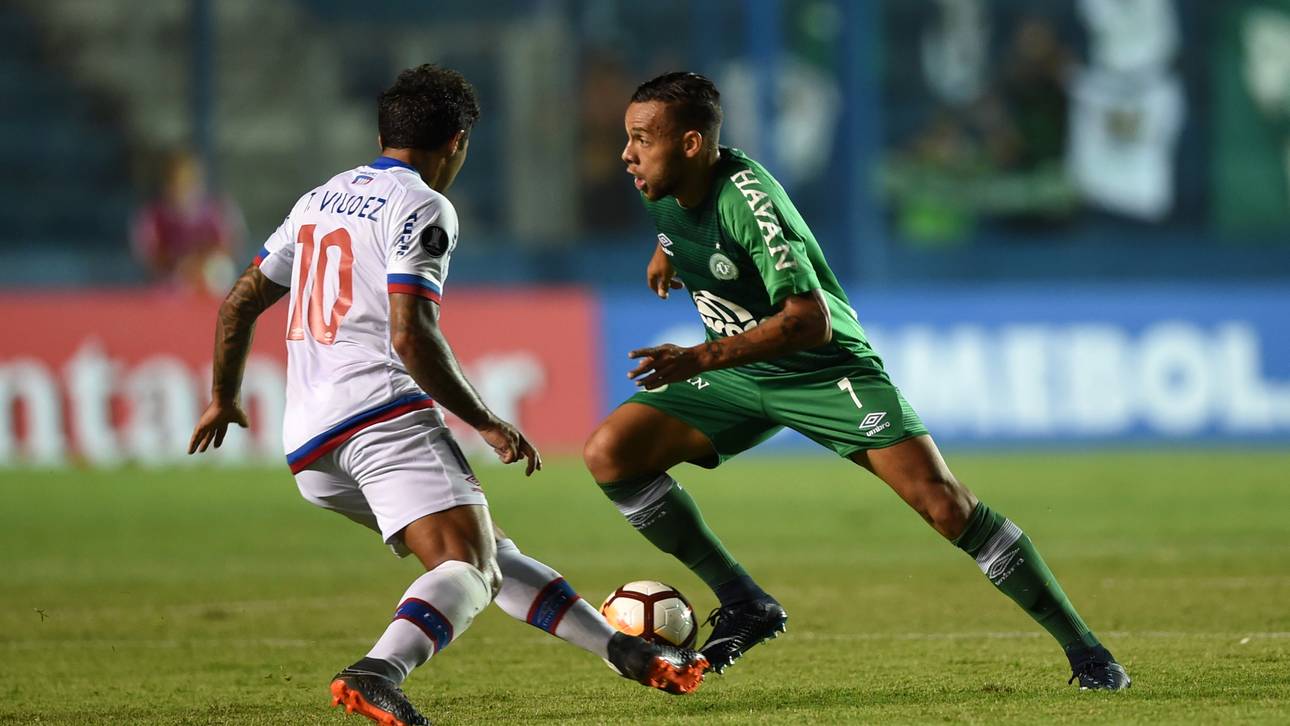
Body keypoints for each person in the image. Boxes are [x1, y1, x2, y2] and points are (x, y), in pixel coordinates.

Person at [188, 65, 707, 726]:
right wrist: (486, 420)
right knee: (469, 566)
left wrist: (223, 396)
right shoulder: (424, 206)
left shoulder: (318, 200)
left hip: (308, 440)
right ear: (457, 141)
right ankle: (378, 672)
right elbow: (411, 336)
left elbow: (237, 303)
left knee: (484, 555)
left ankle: (623, 651)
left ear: (382, 131)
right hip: (378, 415)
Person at [583, 71, 1130, 690]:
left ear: (690, 144)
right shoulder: (661, 182)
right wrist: (667, 254)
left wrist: (699, 359)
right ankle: (744, 600)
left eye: (641, 140)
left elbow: (808, 322)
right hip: (741, 371)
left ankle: (1089, 655)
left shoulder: (748, 200)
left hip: (823, 372)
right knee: (611, 454)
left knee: (946, 506)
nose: (626, 153)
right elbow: (681, 228)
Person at [131, 150, 242, 295]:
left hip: (209, 282)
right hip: (169, 285)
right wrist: (183, 265)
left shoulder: (216, 211)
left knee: (221, 271)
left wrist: (200, 262)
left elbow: (230, 246)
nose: (185, 187)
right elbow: (151, 255)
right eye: (179, 181)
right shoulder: (154, 216)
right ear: (168, 184)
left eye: (190, 180)